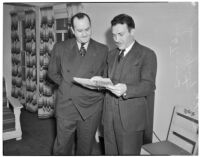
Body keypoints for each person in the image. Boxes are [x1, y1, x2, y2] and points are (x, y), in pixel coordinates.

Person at [47, 12, 108, 155]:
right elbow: (52, 73)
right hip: (66, 104)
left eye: (87, 29)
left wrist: (99, 84)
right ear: (72, 31)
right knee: (62, 147)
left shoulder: (102, 50)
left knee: (85, 148)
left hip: (91, 106)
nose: (84, 34)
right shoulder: (60, 47)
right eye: (80, 31)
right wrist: (66, 84)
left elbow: (106, 76)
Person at [103, 14, 157, 155]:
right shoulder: (110, 54)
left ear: (132, 32)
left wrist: (127, 89)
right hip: (109, 118)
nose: (116, 39)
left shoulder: (147, 54)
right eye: (114, 35)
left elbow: (149, 85)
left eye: (120, 34)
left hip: (130, 121)